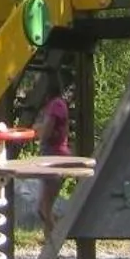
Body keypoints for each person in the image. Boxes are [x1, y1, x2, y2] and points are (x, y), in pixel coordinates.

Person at [33, 87, 73, 238]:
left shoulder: (56, 105)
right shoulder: (53, 105)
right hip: (50, 156)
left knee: (44, 208)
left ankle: (55, 241)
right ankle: (51, 244)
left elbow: (45, 133)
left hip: (55, 158)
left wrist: (40, 130)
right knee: (43, 208)